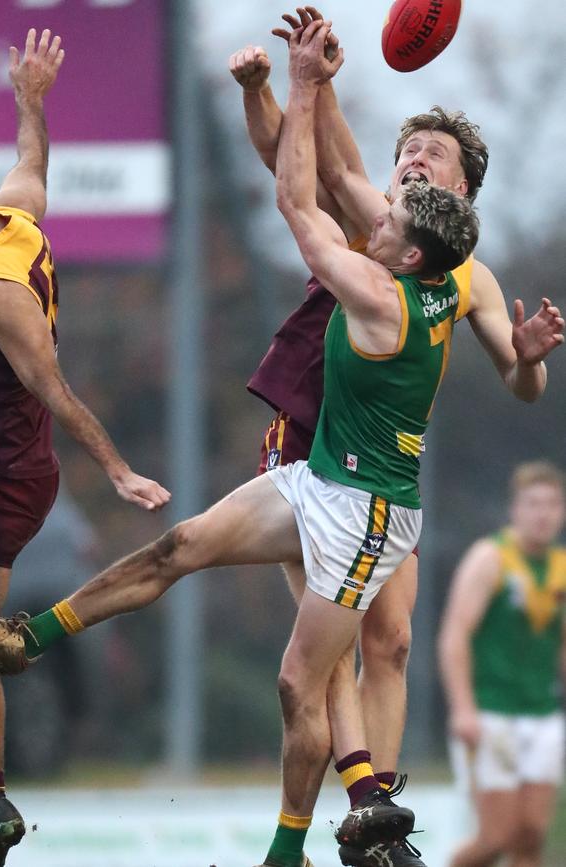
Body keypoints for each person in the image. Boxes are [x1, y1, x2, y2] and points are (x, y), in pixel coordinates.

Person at [0, 21, 489, 867]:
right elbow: (326, 172)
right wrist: (290, 91)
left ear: (410, 248)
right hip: (321, 470)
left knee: (314, 675)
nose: (379, 202)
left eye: (398, 203)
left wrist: (301, 81)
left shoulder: (381, 291)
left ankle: (319, 837)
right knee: (181, 546)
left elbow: (303, 197)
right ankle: (38, 634)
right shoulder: (430, 264)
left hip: (367, 511)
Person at [229, 6, 564, 864]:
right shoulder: (377, 216)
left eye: (434, 153)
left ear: (463, 188)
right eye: (407, 147)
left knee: (395, 639)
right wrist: (305, 81)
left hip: (384, 474)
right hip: (309, 438)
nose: (412, 158)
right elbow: (301, 155)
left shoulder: (475, 278)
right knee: (329, 647)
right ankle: (366, 810)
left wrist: (528, 361)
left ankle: (364, 802)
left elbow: (525, 388)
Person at [0, 29, 170, 867]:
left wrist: (120, 470)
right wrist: (33, 99)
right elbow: (33, 162)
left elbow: (52, 386)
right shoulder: (14, 216)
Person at [439, 462, 566, 867]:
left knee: (531, 835)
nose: (542, 514)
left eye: (551, 504)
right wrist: (462, 708)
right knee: (496, 838)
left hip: (543, 714)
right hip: (491, 713)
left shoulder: (562, 567)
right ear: (514, 509)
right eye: (533, 504)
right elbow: (454, 635)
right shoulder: (491, 557)